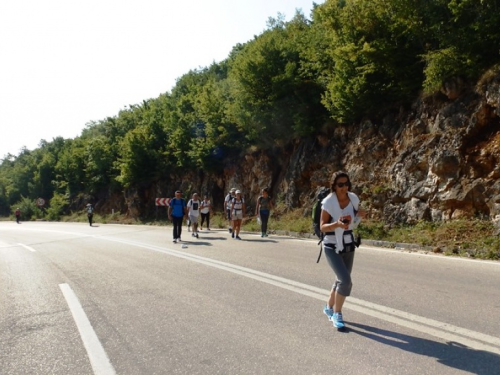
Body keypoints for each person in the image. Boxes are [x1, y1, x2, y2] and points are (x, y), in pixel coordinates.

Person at [320, 171, 365, 330]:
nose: (344, 187)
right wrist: (336, 225)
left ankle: (328, 307)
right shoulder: (328, 202)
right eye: (340, 184)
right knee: (345, 281)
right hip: (332, 245)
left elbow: (353, 224)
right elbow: (322, 227)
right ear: (334, 185)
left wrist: (359, 216)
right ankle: (337, 314)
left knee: (340, 280)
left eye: (346, 184)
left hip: (348, 244)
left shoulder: (353, 199)